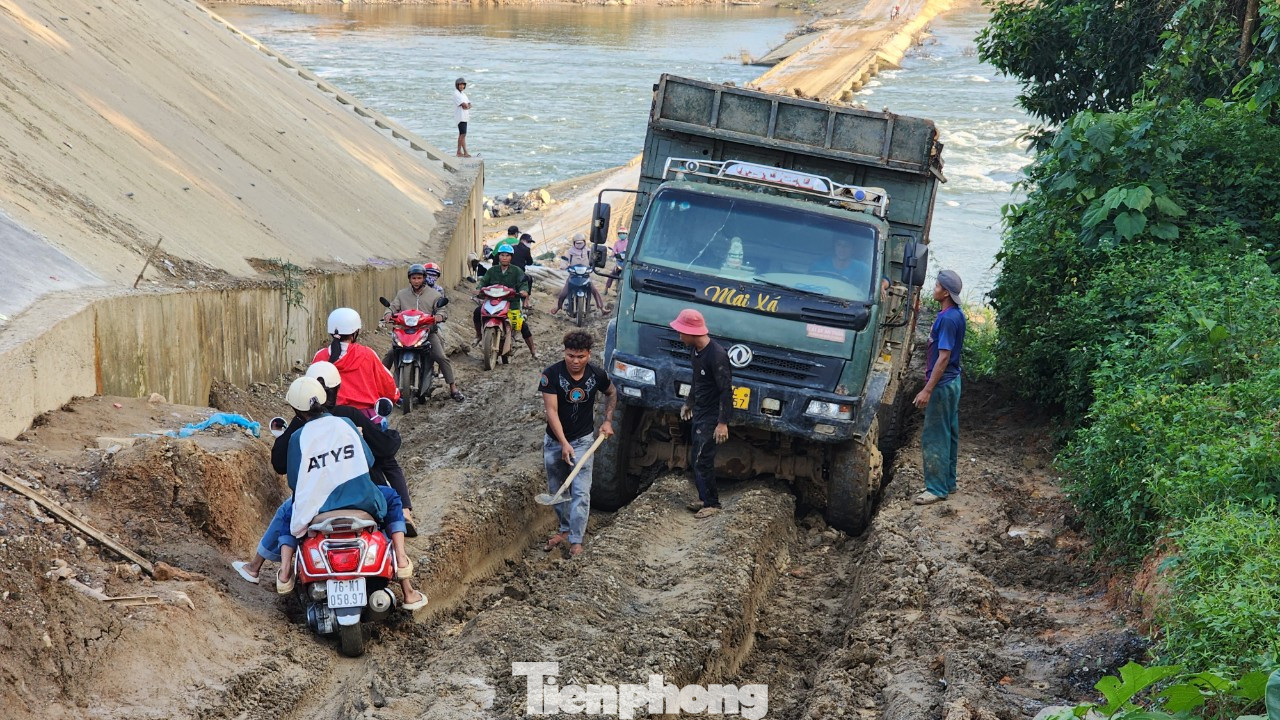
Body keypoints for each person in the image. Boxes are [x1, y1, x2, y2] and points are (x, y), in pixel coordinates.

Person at [240, 377, 426, 611]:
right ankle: (402, 567)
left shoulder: (298, 438)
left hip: (319, 510)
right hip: (363, 502)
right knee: (392, 497)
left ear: (297, 411)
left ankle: (285, 571)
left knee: (290, 511)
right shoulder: (346, 423)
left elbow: (295, 482)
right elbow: (367, 461)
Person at [540, 331, 617, 557]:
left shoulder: (597, 374)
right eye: (570, 355)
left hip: (583, 442)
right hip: (555, 442)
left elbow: (612, 393)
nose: (575, 361)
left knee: (581, 493)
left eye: (580, 357)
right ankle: (564, 529)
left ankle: (576, 540)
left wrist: (608, 420)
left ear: (588, 355)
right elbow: (551, 412)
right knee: (558, 489)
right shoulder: (551, 375)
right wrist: (564, 443)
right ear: (564, 352)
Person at [912, 270, 966, 506]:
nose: (933, 289)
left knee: (935, 435)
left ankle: (935, 489)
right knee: (950, 433)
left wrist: (927, 390)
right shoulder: (957, 315)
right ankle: (948, 482)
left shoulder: (946, 319)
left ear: (945, 292)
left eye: (936, 286)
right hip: (954, 382)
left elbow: (943, 357)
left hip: (942, 385)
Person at [671, 309, 732, 519]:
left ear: (692, 332)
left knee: (702, 458)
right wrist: (689, 403)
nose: (679, 336)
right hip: (700, 410)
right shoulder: (695, 351)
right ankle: (703, 497)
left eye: (681, 331)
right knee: (696, 455)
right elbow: (697, 380)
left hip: (712, 415)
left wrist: (722, 423)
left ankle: (712, 503)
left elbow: (726, 390)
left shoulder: (717, 355)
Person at [382, 263, 466, 402]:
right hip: (405, 333)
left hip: (427, 332)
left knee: (440, 356)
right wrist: (388, 313)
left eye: (419, 278)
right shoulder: (402, 294)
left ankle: (453, 388)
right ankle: (379, 386)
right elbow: (392, 307)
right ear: (409, 279)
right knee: (390, 354)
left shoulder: (434, 294)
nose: (416, 281)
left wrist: (440, 315)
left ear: (424, 278)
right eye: (414, 278)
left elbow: (442, 309)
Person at [313, 308, 399, 417]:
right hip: (366, 417)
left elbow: (311, 389)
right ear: (355, 332)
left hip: (331, 417)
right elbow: (387, 384)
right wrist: (395, 396)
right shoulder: (368, 354)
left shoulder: (320, 356)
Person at [473, 244, 537, 359]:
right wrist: (478, 289)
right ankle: (478, 335)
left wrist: (523, 291)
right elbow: (483, 282)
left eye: (507, 255)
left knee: (522, 325)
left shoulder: (517, 271)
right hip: (493, 301)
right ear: (499, 256)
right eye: (502, 255)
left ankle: (533, 351)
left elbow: (523, 284)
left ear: (511, 257)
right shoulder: (492, 271)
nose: (504, 258)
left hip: (512, 302)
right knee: (478, 312)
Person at [550, 233, 607, 316]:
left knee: (595, 290)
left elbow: (594, 260)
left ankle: (602, 308)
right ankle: (558, 307)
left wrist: (595, 265)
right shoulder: (569, 252)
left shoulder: (589, 252)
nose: (579, 244)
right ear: (574, 243)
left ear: (584, 242)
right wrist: (563, 266)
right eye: (577, 243)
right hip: (573, 276)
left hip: (585, 276)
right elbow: (564, 261)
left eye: (581, 242)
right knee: (563, 293)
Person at [603, 227, 628, 294]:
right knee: (612, 274)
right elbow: (614, 250)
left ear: (626, 234)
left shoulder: (629, 242)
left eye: (623, 233)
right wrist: (613, 254)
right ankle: (606, 288)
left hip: (626, 263)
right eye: (620, 233)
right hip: (619, 263)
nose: (622, 234)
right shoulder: (617, 243)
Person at [454, 77, 471, 158]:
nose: (462, 86)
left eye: (463, 85)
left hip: (465, 117)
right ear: (457, 85)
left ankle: (465, 152)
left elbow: (469, 104)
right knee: (462, 134)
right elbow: (464, 105)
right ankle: (458, 152)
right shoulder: (456, 93)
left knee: (463, 135)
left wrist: (467, 105)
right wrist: (466, 105)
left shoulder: (463, 94)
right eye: (460, 85)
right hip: (460, 117)